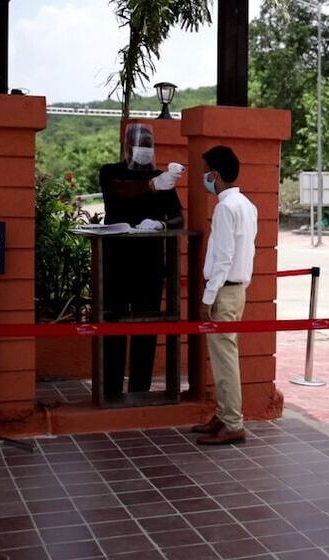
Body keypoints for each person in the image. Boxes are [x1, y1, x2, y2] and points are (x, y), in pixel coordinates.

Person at [99, 123, 184, 398]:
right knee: (113, 325)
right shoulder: (110, 172)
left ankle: (140, 388)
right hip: (116, 263)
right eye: (139, 146)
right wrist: (151, 185)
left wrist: (160, 223)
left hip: (149, 264)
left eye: (149, 146)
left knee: (146, 328)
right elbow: (118, 193)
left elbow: (178, 216)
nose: (144, 151)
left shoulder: (163, 178)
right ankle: (111, 388)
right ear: (127, 147)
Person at [191, 146, 257, 445]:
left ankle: (232, 422)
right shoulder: (247, 205)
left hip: (224, 290)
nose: (204, 178)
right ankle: (224, 414)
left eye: (206, 172)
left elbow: (223, 257)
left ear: (214, 175)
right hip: (236, 289)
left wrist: (208, 297)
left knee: (224, 359)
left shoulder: (225, 208)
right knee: (223, 357)